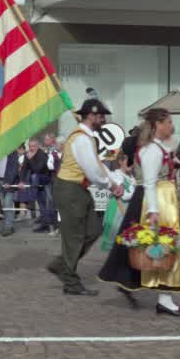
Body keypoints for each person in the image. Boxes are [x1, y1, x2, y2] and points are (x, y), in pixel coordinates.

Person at [97, 108, 180, 316]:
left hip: (163, 199)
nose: (172, 126)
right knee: (163, 246)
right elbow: (149, 182)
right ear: (158, 124)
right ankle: (164, 298)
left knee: (161, 246)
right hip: (157, 200)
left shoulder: (158, 147)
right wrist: (154, 210)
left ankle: (149, 290)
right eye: (168, 122)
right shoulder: (152, 150)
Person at [45, 99, 125, 296]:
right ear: (91, 116)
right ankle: (71, 282)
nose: (103, 120)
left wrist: (114, 180)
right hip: (70, 189)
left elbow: (97, 165)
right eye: (101, 116)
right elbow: (93, 171)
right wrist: (111, 185)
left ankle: (61, 265)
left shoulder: (86, 138)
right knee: (74, 237)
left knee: (94, 230)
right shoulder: (82, 139)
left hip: (78, 189)